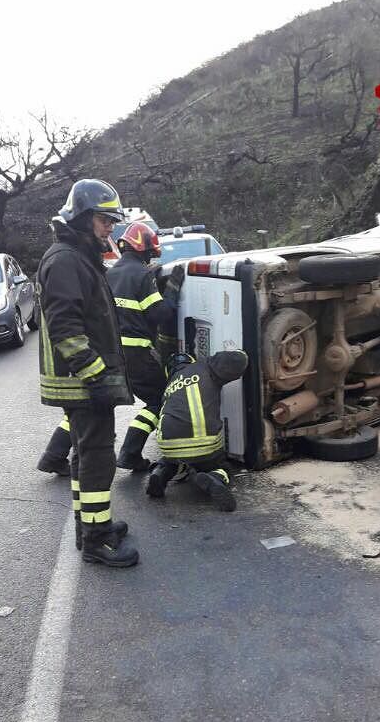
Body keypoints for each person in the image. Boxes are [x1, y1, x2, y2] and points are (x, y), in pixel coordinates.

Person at [37, 179, 139, 567]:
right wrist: (95, 376)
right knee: (97, 457)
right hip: (83, 382)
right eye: (102, 220)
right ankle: (98, 540)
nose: (109, 228)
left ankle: (89, 525)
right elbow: (65, 327)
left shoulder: (76, 256)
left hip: (81, 381)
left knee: (84, 453)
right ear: (81, 218)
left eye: (111, 221)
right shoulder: (65, 259)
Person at [106, 222, 185, 471]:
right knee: (159, 400)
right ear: (146, 250)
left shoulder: (110, 273)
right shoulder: (142, 275)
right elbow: (159, 315)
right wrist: (172, 289)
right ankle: (130, 453)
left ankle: (57, 453)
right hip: (137, 353)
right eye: (151, 253)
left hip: (113, 353)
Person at [146, 349, 248, 511]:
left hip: (168, 445)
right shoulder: (205, 367)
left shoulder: (170, 385)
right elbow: (236, 361)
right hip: (204, 442)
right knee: (220, 466)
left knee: (174, 461)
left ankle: (161, 473)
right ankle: (215, 477)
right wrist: (240, 351)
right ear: (190, 361)